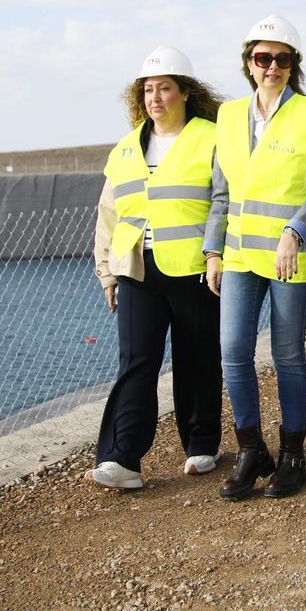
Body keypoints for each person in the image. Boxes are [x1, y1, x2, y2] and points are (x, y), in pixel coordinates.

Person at [204, 15, 306, 502]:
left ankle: (292, 454)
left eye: (282, 59)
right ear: (249, 63)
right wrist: (213, 250)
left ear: (293, 65)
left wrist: (295, 231)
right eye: (263, 58)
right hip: (241, 254)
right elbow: (221, 194)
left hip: (290, 257)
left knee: (287, 355)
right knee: (233, 353)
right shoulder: (228, 117)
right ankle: (251, 451)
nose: (272, 67)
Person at [89, 46, 225, 490]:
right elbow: (108, 215)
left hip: (194, 270)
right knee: (136, 362)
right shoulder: (126, 149)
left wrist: (217, 254)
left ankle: (202, 443)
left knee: (198, 358)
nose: (155, 98)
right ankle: (121, 458)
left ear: (184, 92)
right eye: (148, 90)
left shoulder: (212, 137)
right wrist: (106, 273)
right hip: (137, 272)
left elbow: (226, 202)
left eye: (164, 88)